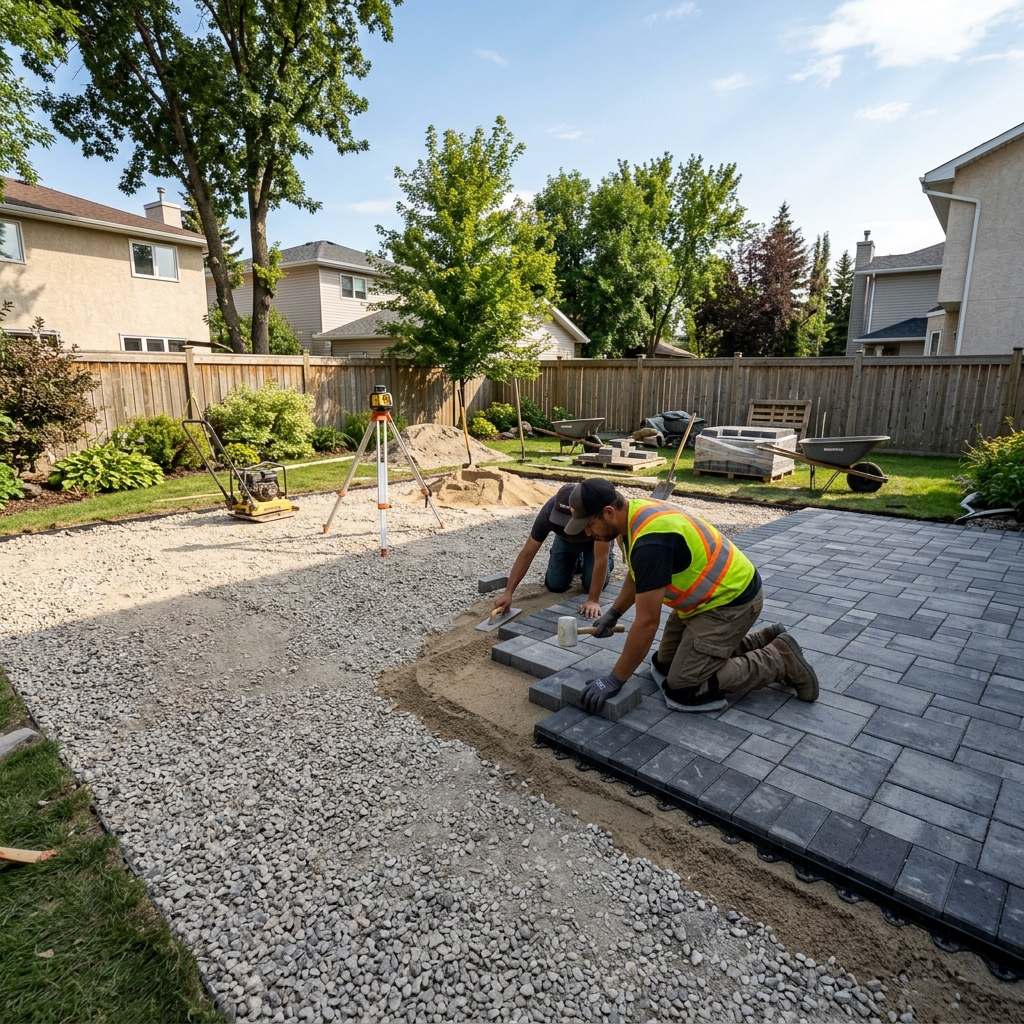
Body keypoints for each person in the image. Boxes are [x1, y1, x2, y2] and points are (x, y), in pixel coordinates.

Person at [560, 478, 819, 713]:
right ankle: (763, 639)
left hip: (731, 603)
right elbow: (637, 573)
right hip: (704, 603)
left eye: (589, 524)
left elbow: (647, 623)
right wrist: (614, 613)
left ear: (608, 512)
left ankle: (780, 658)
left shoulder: (651, 542)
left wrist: (614, 680)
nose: (588, 533)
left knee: (684, 686)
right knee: (663, 666)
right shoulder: (632, 516)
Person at [493, 483, 614, 620]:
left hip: (595, 540)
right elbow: (527, 553)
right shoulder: (548, 511)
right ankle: (577, 560)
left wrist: (593, 600)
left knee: (589, 584)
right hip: (566, 541)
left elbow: (601, 558)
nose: (565, 525)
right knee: (555, 585)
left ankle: (596, 560)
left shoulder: (592, 513)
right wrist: (508, 593)